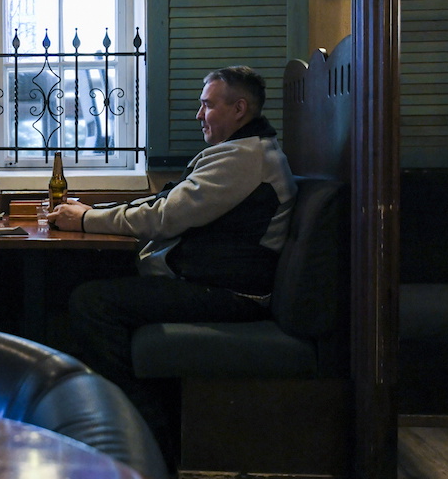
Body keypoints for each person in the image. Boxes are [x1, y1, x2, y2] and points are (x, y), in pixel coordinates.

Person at [47, 65, 296, 463]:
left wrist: (86, 219)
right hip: (207, 281)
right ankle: (94, 423)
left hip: (234, 293)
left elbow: (165, 216)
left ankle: (141, 436)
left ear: (239, 109)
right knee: (83, 278)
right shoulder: (240, 151)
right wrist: (93, 213)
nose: (199, 115)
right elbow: (165, 203)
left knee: (92, 303)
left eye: (207, 105)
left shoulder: (244, 158)